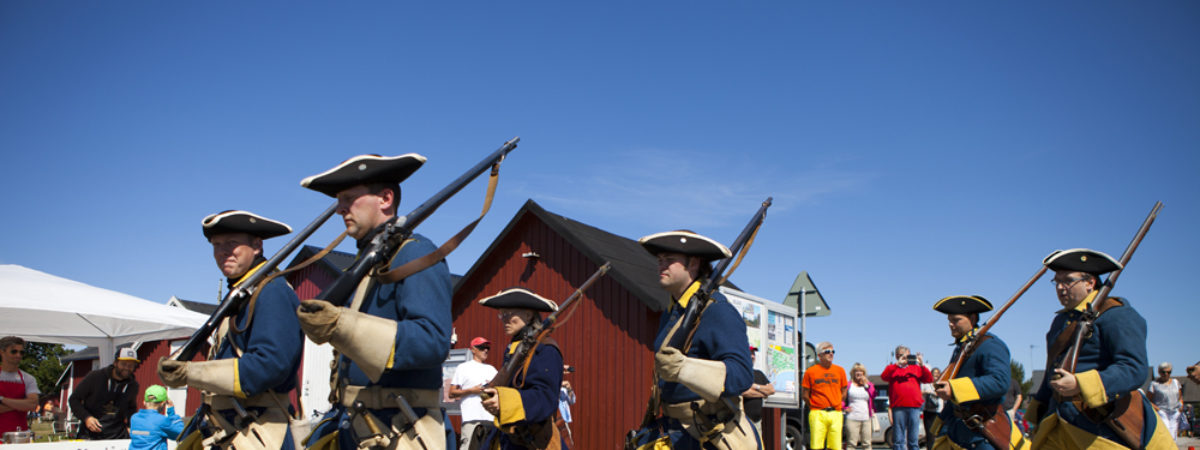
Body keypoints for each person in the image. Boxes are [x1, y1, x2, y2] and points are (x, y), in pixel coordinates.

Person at [296, 154, 452, 450]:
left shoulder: (415, 253)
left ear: (385, 198)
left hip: (400, 430)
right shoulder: (367, 263)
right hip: (356, 425)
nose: (340, 208)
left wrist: (343, 325)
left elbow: (432, 341)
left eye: (349, 198)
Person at [157, 210, 302, 450]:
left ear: (257, 246)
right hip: (230, 428)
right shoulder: (245, 293)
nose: (223, 251)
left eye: (232, 243)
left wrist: (193, 373)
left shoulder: (271, 291)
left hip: (258, 431)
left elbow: (271, 364)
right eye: (216, 245)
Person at [1028, 248, 1175, 449]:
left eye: (1068, 281)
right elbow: (1051, 372)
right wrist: (1039, 409)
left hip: (1100, 425)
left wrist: (1081, 384)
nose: (1061, 288)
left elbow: (1134, 368)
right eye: (1057, 281)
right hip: (1059, 420)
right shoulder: (1060, 322)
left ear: (1090, 283)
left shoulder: (1116, 315)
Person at [629, 230, 758, 450]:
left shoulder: (717, 311)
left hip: (704, 436)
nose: (661, 265)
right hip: (674, 430)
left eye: (669, 260)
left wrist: (685, 369)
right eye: (660, 260)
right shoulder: (672, 312)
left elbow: (742, 375)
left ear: (694, 263)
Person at [929, 295, 1028, 450]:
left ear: (973, 318)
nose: (951, 324)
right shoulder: (962, 347)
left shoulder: (990, 345)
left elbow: (999, 382)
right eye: (949, 320)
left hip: (982, 432)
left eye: (956, 320)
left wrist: (954, 388)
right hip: (959, 430)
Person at [477, 288, 567, 449]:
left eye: (508, 314)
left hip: (531, 441)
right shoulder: (513, 348)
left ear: (528, 315)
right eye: (501, 314)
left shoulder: (546, 350)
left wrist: (504, 401)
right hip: (508, 437)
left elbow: (545, 398)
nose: (503, 319)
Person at [69, 347, 139, 439]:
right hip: (90, 434)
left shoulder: (133, 385)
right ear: (115, 363)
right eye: (124, 364)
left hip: (118, 436)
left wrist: (130, 425)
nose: (127, 368)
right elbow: (74, 399)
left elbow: (131, 407)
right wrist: (86, 418)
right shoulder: (95, 377)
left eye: (131, 365)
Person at [449, 337, 497, 450]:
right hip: (471, 419)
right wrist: (471, 391)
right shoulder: (463, 368)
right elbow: (451, 393)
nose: (485, 350)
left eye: (487, 348)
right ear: (473, 349)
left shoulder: (492, 370)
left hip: (491, 420)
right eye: (481, 347)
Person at [881, 345, 931, 450]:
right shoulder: (892, 369)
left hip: (914, 407)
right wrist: (897, 364)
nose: (903, 358)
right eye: (900, 355)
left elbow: (929, 379)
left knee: (913, 440)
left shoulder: (916, 368)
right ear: (896, 356)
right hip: (898, 407)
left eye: (905, 355)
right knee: (898, 440)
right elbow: (884, 377)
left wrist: (922, 365)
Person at [803, 342, 847, 450]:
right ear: (819, 355)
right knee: (816, 446)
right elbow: (805, 394)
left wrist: (836, 403)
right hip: (817, 413)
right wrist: (815, 405)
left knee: (836, 447)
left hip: (836, 413)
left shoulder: (840, 370)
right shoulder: (810, 372)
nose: (831, 354)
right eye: (827, 352)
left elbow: (844, 391)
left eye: (833, 351)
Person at [0, 336, 39, 435]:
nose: (18, 355)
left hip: (19, 436)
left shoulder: (28, 378)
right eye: (14, 351)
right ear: (2, 352)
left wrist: (2, 399)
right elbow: (29, 404)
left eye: (21, 352)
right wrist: (22, 405)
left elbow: (33, 405)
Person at [129, 385, 184, 450]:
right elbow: (180, 433)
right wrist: (172, 413)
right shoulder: (161, 420)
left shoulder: (134, 418)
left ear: (144, 402)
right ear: (163, 403)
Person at [741, 346, 776, 444]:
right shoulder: (740, 373)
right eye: (750, 353)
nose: (752, 356)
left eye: (754, 354)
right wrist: (762, 393)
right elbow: (744, 392)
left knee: (758, 445)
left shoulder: (759, 374)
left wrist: (755, 387)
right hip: (742, 420)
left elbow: (771, 390)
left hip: (757, 421)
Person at [843, 363, 875, 450]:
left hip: (866, 418)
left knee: (867, 444)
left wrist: (866, 385)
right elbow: (842, 398)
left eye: (861, 371)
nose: (859, 373)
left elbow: (873, 395)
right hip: (852, 418)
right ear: (853, 373)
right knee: (851, 443)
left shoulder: (869, 385)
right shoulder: (849, 385)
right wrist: (845, 408)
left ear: (864, 373)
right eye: (856, 371)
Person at [1148, 362, 1182, 439]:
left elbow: (1180, 396)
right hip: (1162, 412)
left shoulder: (1176, 382)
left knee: (1173, 434)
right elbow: (1148, 400)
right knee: (1166, 431)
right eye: (1163, 372)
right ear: (1159, 372)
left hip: (1174, 412)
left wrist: (1181, 406)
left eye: (1169, 372)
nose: (1166, 374)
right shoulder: (1154, 384)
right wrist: (1158, 409)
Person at [921, 367, 943, 450]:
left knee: (938, 433)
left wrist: (937, 393)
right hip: (928, 411)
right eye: (934, 375)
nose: (936, 377)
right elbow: (920, 394)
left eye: (937, 375)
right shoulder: (927, 385)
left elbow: (944, 396)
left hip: (938, 411)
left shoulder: (941, 384)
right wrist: (927, 392)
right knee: (929, 434)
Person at [558, 365, 577, 449]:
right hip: (555, 423)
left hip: (564, 422)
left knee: (568, 445)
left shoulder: (564, 389)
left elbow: (572, 401)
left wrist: (569, 389)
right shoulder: (551, 386)